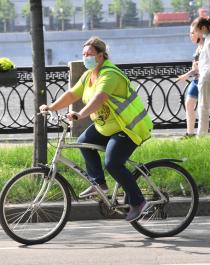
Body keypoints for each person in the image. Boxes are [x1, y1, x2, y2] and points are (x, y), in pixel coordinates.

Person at [39, 37, 153, 222]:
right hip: (107, 126)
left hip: (128, 127)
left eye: (90, 55)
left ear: (100, 56)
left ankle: (138, 202)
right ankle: (99, 183)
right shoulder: (88, 75)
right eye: (84, 54)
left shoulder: (110, 74)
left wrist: (80, 114)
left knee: (113, 163)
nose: (86, 58)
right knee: (83, 142)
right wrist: (51, 107)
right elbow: (72, 94)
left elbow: (100, 98)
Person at [177, 25, 204, 138]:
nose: (190, 35)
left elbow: (198, 67)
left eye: (192, 33)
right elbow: (196, 67)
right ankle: (190, 133)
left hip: (203, 81)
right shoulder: (199, 47)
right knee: (189, 104)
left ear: (199, 33)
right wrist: (187, 75)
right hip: (196, 80)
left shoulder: (205, 46)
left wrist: (186, 75)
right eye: (190, 33)